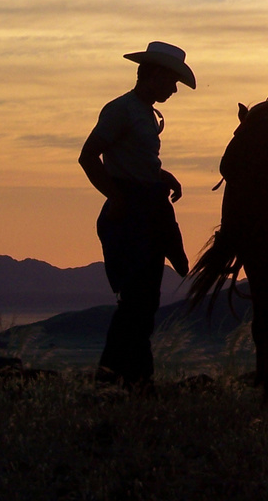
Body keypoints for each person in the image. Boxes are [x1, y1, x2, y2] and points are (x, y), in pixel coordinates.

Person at [78, 41, 195, 386]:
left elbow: (134, 161)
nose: (174, 89)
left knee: (144, 301)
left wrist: (161, 175)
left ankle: (125, 375)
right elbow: (89, 156)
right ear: (155, 75)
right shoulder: (122, 110)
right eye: (171, 82)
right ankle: (125, 375)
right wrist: (116, 197)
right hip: (132, 213)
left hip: (147, 210)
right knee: (137, 300)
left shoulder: (142, 112)